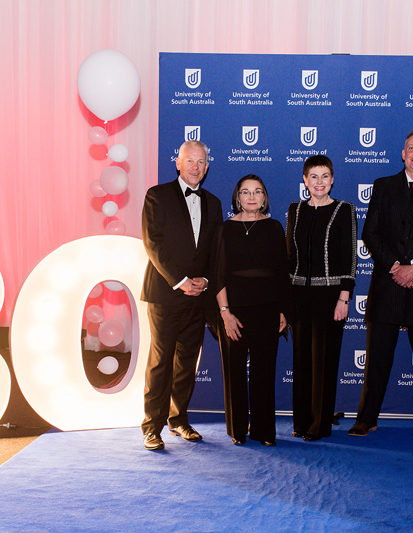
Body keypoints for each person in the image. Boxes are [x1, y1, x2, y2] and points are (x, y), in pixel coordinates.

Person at [347, 129, 413, 444]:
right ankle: (366, 419)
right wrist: (396, 267)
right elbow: (371, 233)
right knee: (377, 360)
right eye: (411, 148)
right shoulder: (383, 186)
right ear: (402, 152)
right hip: (387, 286)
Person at [140, 140, 223, 451]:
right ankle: (152, 426)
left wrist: (204, 281)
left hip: (198, 296)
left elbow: (215, 251)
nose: (195, 167)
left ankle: (178, 420)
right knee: (161, 361)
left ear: (207, 166)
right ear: (178, 163)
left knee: (187, 362)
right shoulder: (157, 196)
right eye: (190, 161)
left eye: (201, 162)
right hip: (165, 294)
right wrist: (181, 281)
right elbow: (153, 244)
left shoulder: (213, 203)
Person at [213, 175, 292, 447]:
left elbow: (282, 273)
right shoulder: (224, 229)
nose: (251, 196)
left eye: (257, 191)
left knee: (264, 371)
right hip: (235, 310)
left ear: (264, 197)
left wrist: (283, 311)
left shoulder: (273, 227)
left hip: (268, 308)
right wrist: (225, 312)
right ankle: (237, 429)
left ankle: (263, 430)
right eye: (245, 192)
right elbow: (218, 274)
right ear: (237, 197)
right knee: (235, 370)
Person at [286, 155, 357, 441]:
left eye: (324, 176)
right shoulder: (295, 210)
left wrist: (344, 298)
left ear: (332, 179)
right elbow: (289, 256)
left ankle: (320, 424)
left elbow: (350, 257)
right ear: (304, 180)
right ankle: (301, 422)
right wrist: (285, 299)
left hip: (330, 297)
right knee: (301, 360)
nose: (319, 182)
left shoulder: (344, 210)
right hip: (298, 295)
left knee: (324, 362)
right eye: (313, 176)